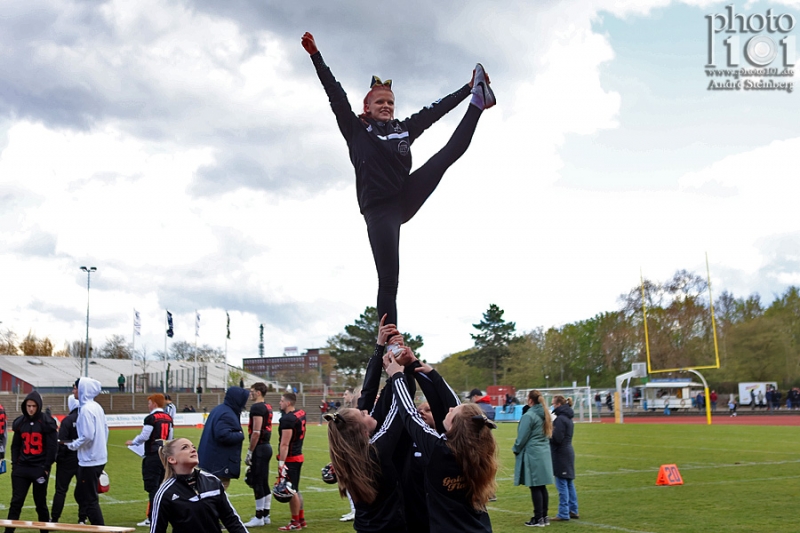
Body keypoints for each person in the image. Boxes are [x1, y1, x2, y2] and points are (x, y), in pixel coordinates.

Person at [302, 31, 495, 327]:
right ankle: (390, 340)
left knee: (446, 156)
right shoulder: (356, 131)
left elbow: (435, 110)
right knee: (389, 279)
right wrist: (317, 56)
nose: (386, 106)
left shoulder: (403, 129)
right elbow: (335, 93)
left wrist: (468, 88)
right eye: (380, 101)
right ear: (367, 107)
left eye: (390, 102)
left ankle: (478, 102)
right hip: (379, 211)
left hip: (404, 196)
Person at [387, 350, 498, 533]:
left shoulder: (439, 450)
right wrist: (424, 370)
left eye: (453, 411)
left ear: (454, 426)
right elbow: (451, 403)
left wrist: (397, 376)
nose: (451, 407)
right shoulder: (476, 447)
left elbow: (409, 413)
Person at [324, 405, 405, 533]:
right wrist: (396, 383)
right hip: (391, 527)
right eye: (363, 414)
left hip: (364, 527)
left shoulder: (347, 459)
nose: (367, 411)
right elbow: (398, 411)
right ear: (363, 431)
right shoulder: (376, 452)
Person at [151, 438, 247, 533]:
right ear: (172, 459)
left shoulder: (212, 481)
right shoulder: (166, 492)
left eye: (193, 447)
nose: (193, 450)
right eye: (185, 447)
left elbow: (231, 519)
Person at [5, 391, 58, 533]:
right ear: (25, 406)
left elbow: (53, 447)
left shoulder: (46, 422)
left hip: (39, 468)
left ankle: (44, 531)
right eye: (29, 406)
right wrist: (15, 466)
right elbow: (15, 446)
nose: (31, 409)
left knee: (40, 504)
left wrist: (46, 467)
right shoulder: (20, 422)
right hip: (22, 468)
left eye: (34, 406)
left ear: (38, 406)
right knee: (16, 502)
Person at [126, 393, 174, 527]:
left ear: (154, 403)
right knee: (161, 486)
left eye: (149, 403)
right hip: (163, 454)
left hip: (153, 455)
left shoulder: (151, 418)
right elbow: (170, 436)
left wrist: (133, 442)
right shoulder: (168, 417)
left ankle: (153, 517)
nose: (148, 405)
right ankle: (163, 515)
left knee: (152, 488)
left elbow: (144, 436)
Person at [66, 377, 108, 526]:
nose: (73, 391)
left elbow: (88, 436)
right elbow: (105, 430)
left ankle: (99, 527)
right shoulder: (97, 407)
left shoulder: (85, 410)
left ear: (83, 389)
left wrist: (72, 445)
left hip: (90, 460)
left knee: (89, 499)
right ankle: (90, 522)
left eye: (75, 388)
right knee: (81, 494)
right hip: (98, 458)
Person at [513, 390, 554, 528]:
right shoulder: (545, 413)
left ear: (530, 400)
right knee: (542, 486)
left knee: (535, 485)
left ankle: (538, 518)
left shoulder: (529, 415)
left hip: (533, 453)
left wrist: (516, 448)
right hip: (543, 452)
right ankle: (544, 516)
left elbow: (522, 437)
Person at [197, 387, 248, 489]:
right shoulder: (227, 414)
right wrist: (240, 435)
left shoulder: (220, 409)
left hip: (210, 462)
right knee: (216, 494)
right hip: (219, 464)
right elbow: (223, 435)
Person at [243, 382, 274, 528]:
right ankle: (266, 514)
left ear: (259, 392)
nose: (251, 393)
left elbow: (256, 432)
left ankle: (259, 516)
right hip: (266, 446)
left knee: (257, 482)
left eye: (252, 391)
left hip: (260, 447)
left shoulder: (257, 407)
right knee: (264, 481)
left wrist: (250, 451)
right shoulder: (267, 406)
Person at [275, 392, 307, 531]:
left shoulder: (287, 419)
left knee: (290, 490)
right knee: (296, 489)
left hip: (291, 457)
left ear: (288, 403)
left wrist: (281, 464)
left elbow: (284, 444)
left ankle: (295, 522)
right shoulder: (300, 413)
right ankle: (301, 519)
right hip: (298, 454)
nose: (280, 403)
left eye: (282, 401)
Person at [548, 395, 579, 522]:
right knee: (569, 483)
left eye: (553, 404)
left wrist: (548, 433)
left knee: (562, 484)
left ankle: (563, 513)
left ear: (558, 405)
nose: (552, 406)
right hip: (567, 452)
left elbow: (557, 438)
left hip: (561, 453)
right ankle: (573, 509)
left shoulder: (560, 419)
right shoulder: (567, 418)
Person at [50, 395, 80, 523]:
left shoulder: (67, 420)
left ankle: (55, 518)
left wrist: (59, 458)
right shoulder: (86, 418)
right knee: (83, 490)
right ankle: (82, 518)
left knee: (61, 490)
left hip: (67, 459)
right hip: (82, 459)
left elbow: (61, 441)